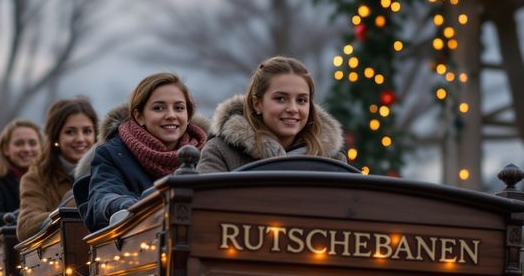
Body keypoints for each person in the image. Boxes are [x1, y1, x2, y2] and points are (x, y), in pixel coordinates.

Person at [78, 73, 206, 233]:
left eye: (179, 108)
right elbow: (103, 196)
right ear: (139, 117)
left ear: (188, 116)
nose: (171, 115)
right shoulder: (112, 153)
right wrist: (137, 208)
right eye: (159, 108)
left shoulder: (207, 151)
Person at [197, 56, 346, 173]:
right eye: (280, 99)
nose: (293, 108)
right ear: (258, 104)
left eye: (301, 100)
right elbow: (206, 204)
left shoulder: (333, 161)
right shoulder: (220, 152)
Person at [17, 98, 98, 239]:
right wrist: (66, 210)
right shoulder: (36, 179)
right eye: (70, 132)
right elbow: (25, 226)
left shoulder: (107, 169)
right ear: (55, 137)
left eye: (87, 131)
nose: (80, 138)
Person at [0, 119, 42, 241]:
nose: (26, 149)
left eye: (32, 143)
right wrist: (26, 217)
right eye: (19, 143)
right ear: (5, 149)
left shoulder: (52, 175)